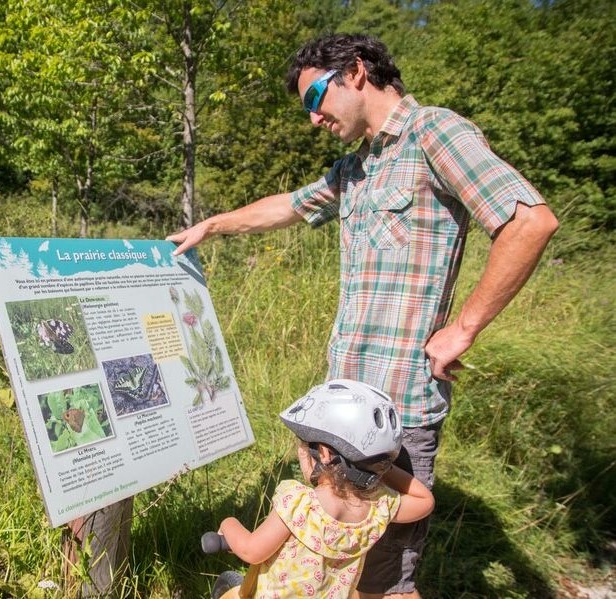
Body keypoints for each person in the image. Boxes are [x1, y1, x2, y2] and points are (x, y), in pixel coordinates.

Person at [168, 33, 559, 598]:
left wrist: (464, 328)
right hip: (338, 409)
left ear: (354, 72)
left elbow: (529, 221)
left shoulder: (435, 133)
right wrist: (213, 225)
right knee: (331, 561)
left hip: (397, 413)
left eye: (314, 99)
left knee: (386, 580)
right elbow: (289, 206)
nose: (312, 118)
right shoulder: (355, 167)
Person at [211, 379, 434, 598]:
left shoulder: (300, 505)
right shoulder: (377, 508)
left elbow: (252, 551)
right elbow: (425, 501)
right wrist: (381, 466)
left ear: (325, 454)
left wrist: (228, 525)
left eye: (307, 445)